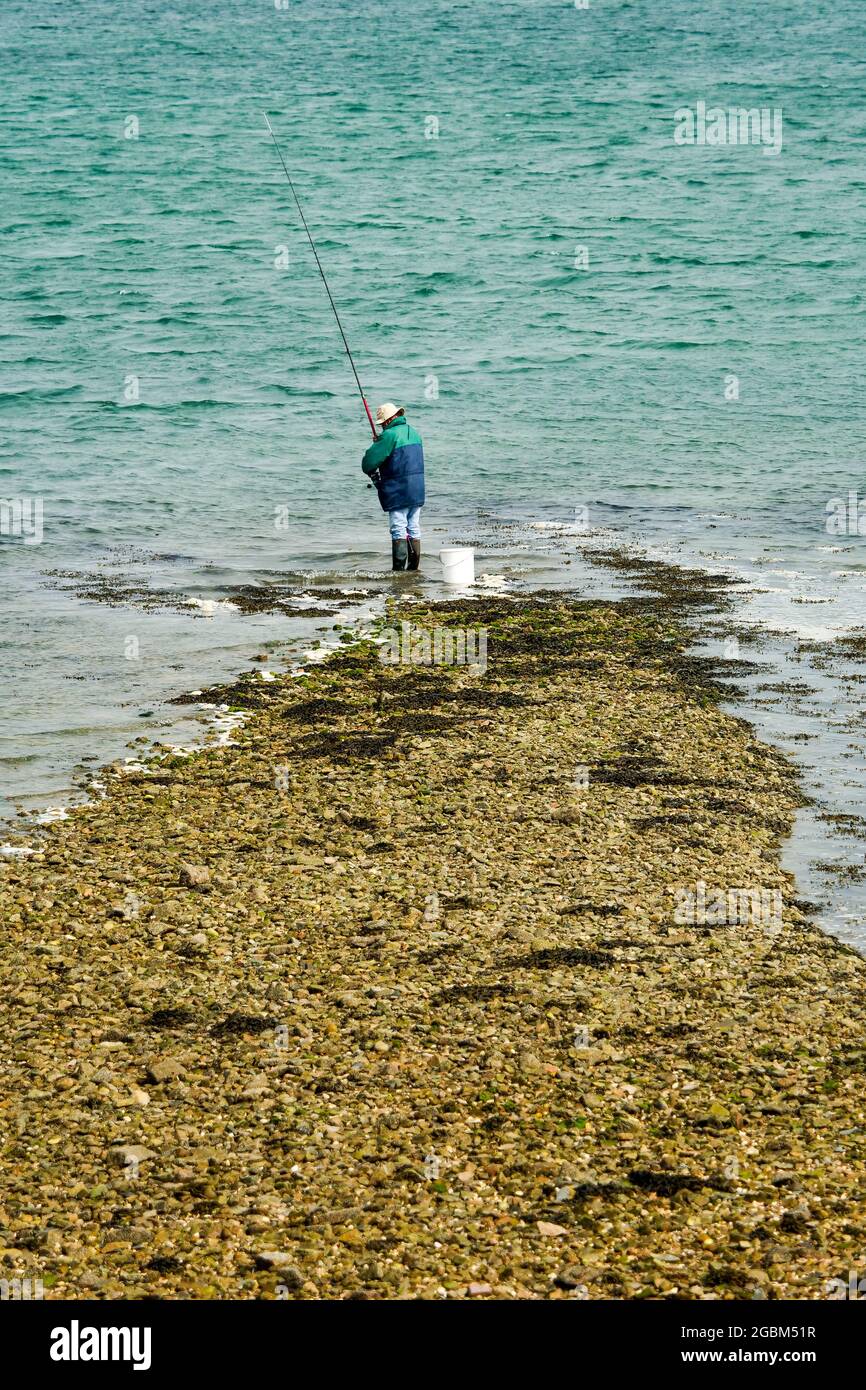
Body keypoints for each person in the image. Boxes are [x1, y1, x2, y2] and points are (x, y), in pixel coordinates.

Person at [361, 403, 425, 571]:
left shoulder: (389, 435)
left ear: (389, 420)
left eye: (382, 424)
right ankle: (413, 571)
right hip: (417, 490)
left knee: (398, 528)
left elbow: (368, 464)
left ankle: (398, 573)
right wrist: (380, 443)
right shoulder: (414, 432)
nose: (382, 427)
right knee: (413, 528)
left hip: (399, 490)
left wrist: (377, 444)